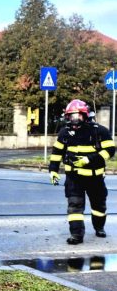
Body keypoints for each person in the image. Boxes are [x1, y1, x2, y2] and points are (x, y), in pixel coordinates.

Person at [48, 99, 115, 245]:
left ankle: (99, 227)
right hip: (74, 178)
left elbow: (110, 150)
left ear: (85, 116)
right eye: (71, 116)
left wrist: (89, 160)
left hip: (95, 177)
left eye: (78, 115)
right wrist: (53, 170)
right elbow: (57, 152)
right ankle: (76, 235)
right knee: (74, 206)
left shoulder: (99, 130)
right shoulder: (65, 132)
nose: (75, 119)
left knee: (99, 206)